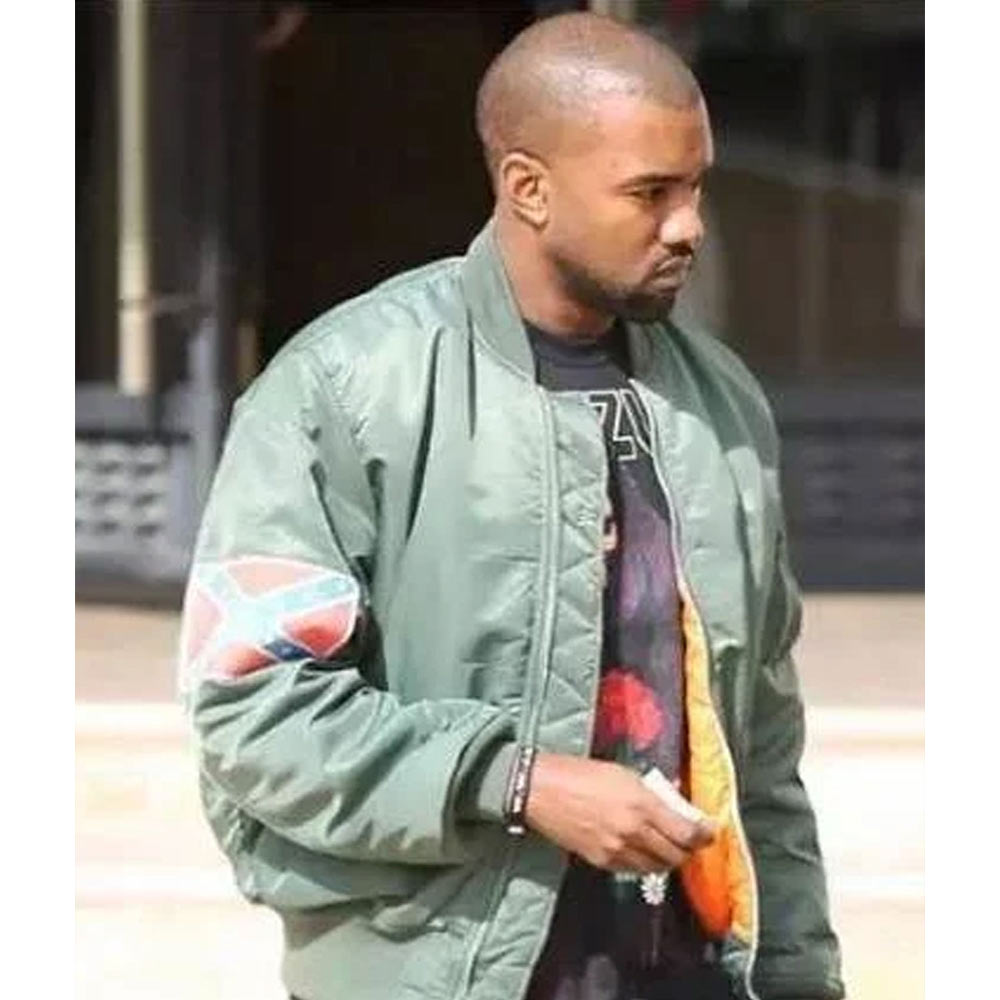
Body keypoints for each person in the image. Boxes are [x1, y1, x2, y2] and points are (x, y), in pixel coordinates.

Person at [177, 12, 844, 1000]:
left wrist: (797, 975)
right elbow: (253, 711)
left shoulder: (721, 404)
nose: (689, 225)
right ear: (528, 187)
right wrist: (520, 780)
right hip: (438, 970)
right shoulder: (343, 391)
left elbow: (763, 752)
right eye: (650, 193)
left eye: (696, 186)